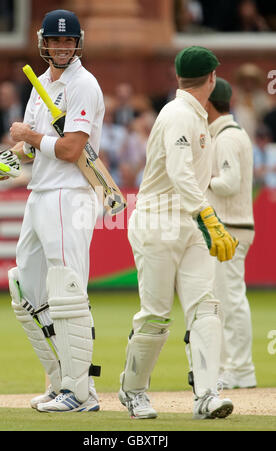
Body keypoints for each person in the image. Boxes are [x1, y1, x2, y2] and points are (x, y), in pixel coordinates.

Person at [0, 9, 105, 413]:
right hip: (40, 192)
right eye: (57, 41)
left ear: (77, 43)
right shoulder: (41, 84)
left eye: (69, 41)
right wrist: (9, 160)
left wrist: (29, 136)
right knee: (26, 291)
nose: (63, 47)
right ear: (44, 43)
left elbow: (70, 149)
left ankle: (81, 393)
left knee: (67, 290)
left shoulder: (84, 84)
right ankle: (61, 381)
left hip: (70, 195)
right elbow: (32, 150)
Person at [118, 46, 238, 420]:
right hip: (158, 222)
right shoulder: (177, 114)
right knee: (156, 316)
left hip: (191, 223)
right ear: (212, 77)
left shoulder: (196, 115)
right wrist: (208, 215)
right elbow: (179, 171)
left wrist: (203, 217)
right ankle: (134, 391)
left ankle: (206, 395)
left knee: (205, 306)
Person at [206, 77, 257, 389]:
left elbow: (229, 183)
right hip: (232, 227)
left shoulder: (225, 137)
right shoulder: (231, 133)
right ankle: (234, 367)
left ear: (209, 105)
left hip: (230, 228)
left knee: (231, 300)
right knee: (226, 301)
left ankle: (240, 369)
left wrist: (203, 180)